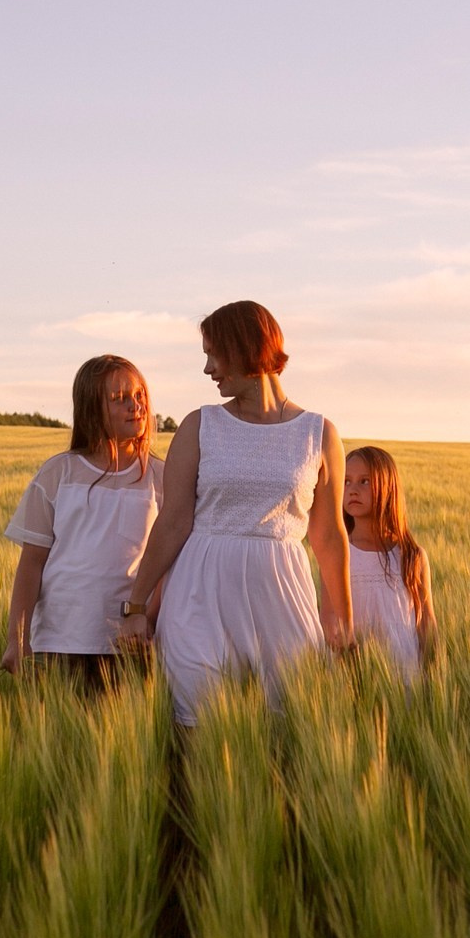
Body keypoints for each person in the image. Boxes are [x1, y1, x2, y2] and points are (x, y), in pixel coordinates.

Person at [122, 301, 351, 726]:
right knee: (195, 721)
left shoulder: (319, 433)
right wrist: (136, 608)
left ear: (246, 349)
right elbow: (173, 521)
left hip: (282, 595)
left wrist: (341, 616)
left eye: (214, 354)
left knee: (284, 726)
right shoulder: (199, 425)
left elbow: (329, 534)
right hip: (199, 591)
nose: (208, 369)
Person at [0, 355, 163, 689]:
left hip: (131, 642)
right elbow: (31, 563)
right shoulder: (59, 474)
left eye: (140, 396)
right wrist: (17, 639)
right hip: (61, 640)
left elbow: (170, 561)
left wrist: (149, 619)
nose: (136, 406)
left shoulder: (161, 476)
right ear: (91, 409)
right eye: (120, 399)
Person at [341, 445, 436, 679]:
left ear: (388, 488)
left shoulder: (411, 555)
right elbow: (332, 620)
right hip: (357, 671)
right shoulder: (339, 553)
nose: (353, 490)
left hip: (404, 669)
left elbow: (426, 622)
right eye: (346, 482)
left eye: (364, 481)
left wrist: (432, 674)